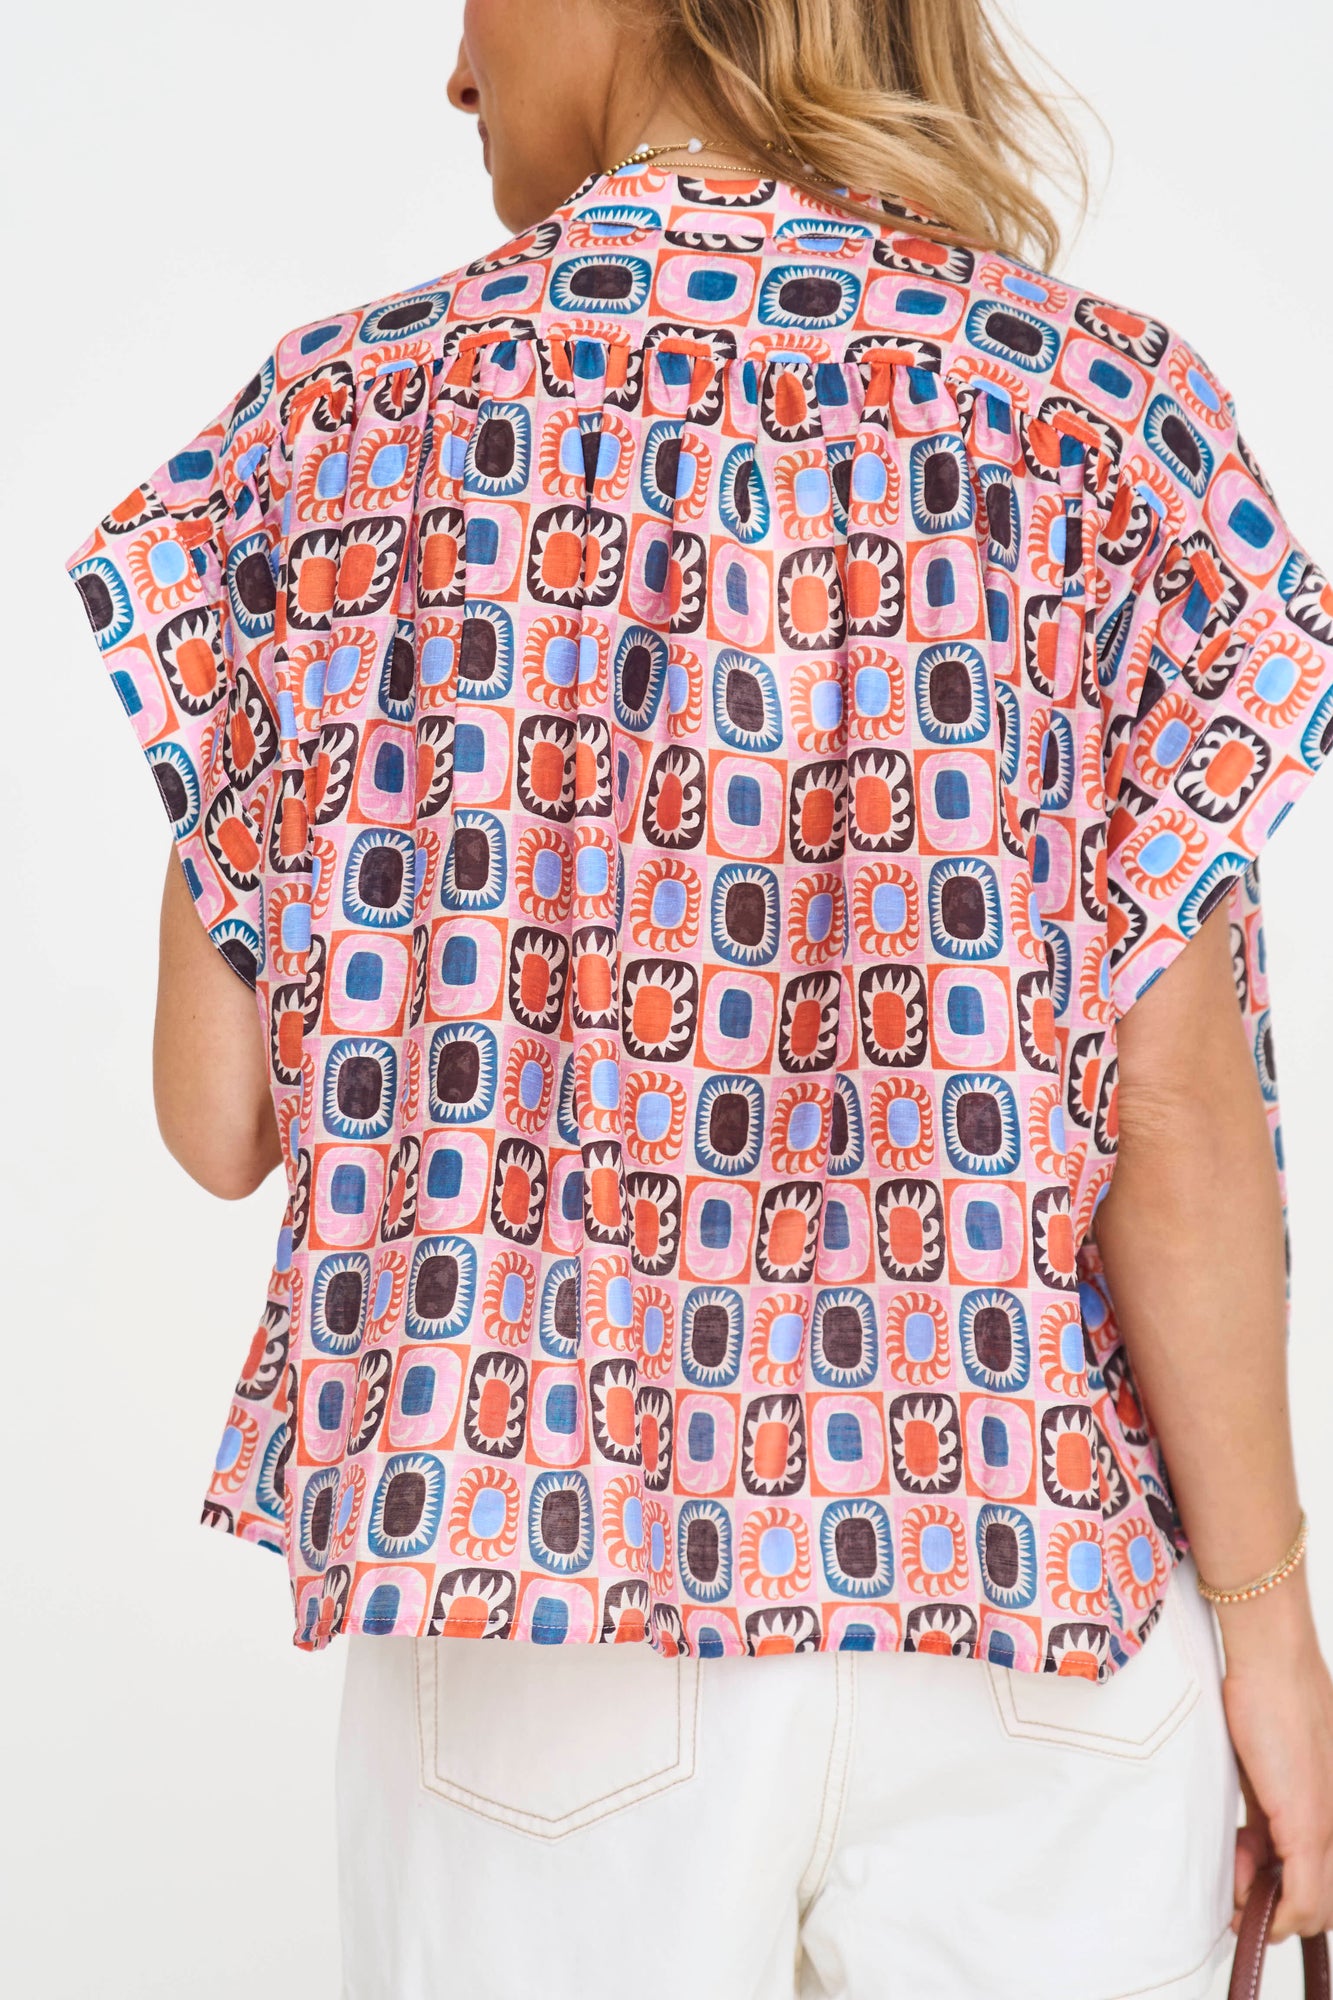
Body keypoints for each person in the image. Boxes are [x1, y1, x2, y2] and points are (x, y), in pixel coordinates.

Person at [64, 2, 1333, 1994]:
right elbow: (1175, 1117)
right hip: (1031, 1608)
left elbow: (220, 1117)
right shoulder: (1100, 412)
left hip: (541, 1577)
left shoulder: (343, 422)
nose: (456, 70)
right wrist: (1268, 1627)